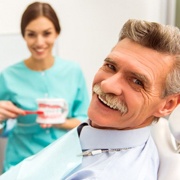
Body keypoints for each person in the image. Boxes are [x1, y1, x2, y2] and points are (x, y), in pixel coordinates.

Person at [0, 19, 180, 180]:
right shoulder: (96, 129)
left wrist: (61, 121)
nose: (108, 85)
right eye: (110, 66)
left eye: (136, 81)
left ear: (168, 104)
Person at [0, 1, 89, 172]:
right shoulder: (8, 76)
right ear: (24, 36)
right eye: (31, 34)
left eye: (46, 33)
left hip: (65, 163)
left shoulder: (73, 71)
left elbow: (85, 119)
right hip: (20, 164)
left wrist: (60, 121)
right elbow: (3, 129)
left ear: (57, 33)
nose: (39, 42)